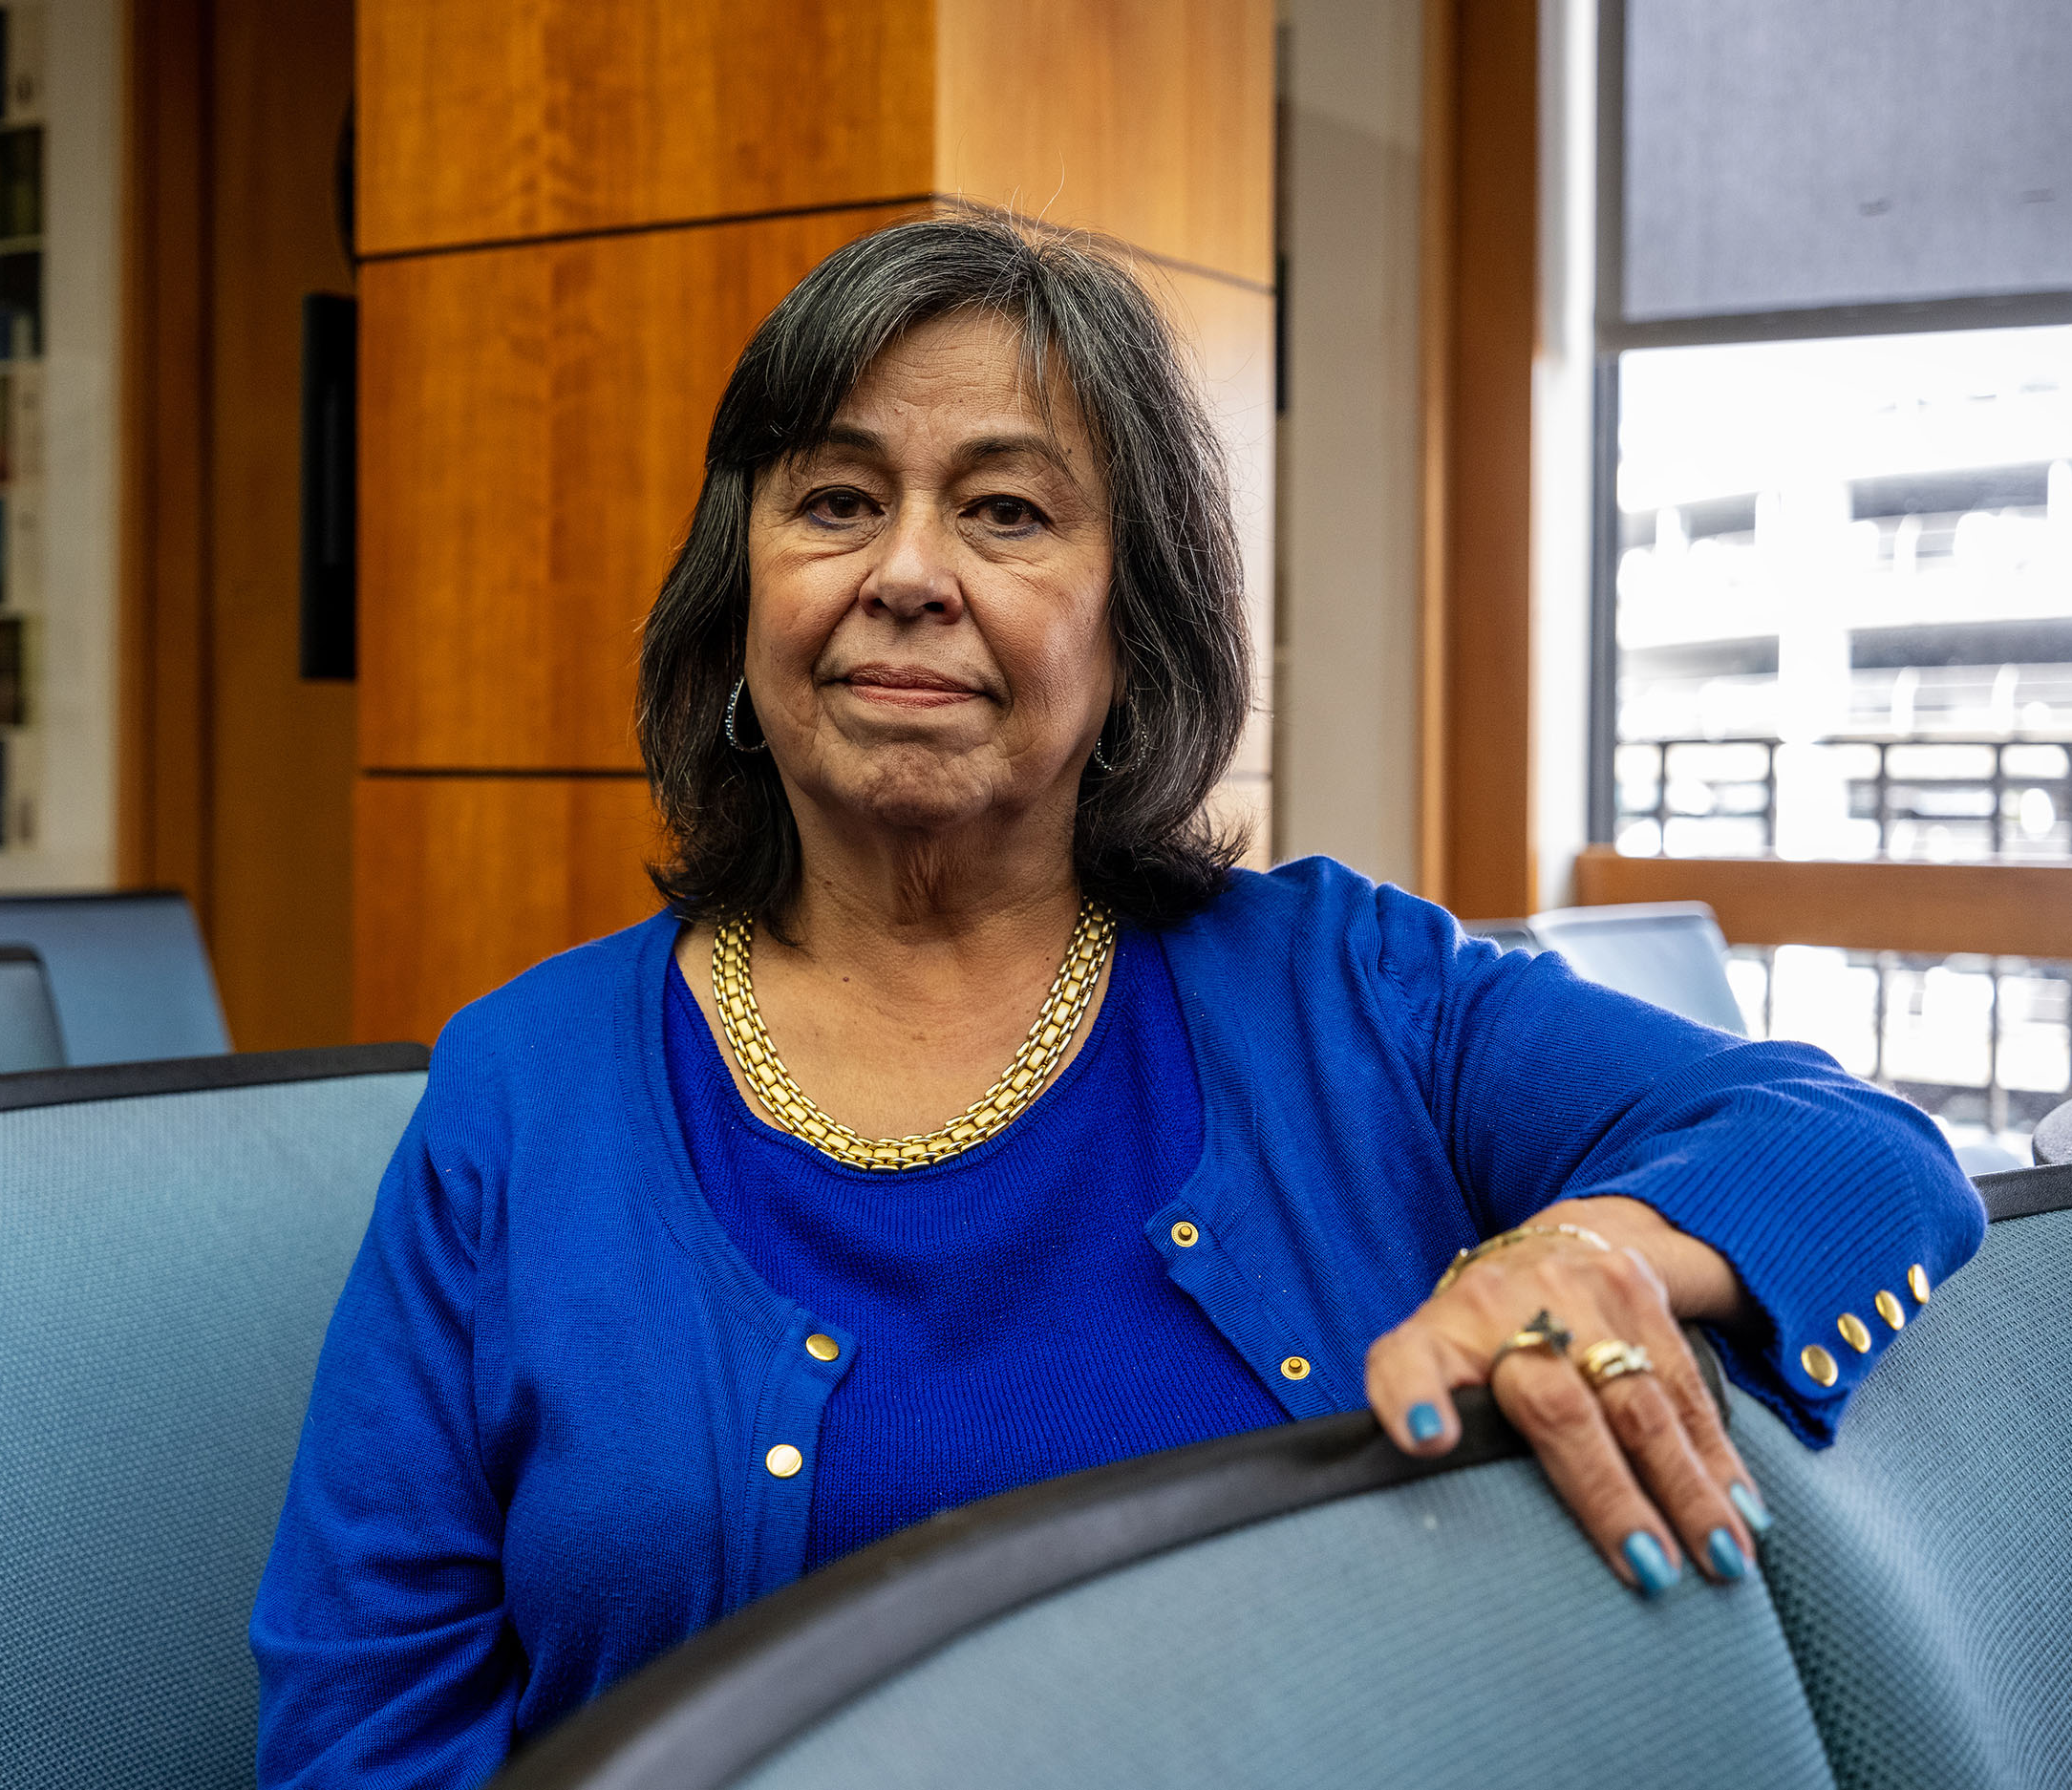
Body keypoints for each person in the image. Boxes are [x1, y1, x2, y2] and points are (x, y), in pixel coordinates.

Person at [250, 212, 1984, 1788]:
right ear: (743, 597)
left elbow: (1853, 1143)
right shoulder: (519, 1085)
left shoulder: (1345, 989)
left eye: (1005, 510)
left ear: (1134, 633)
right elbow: (364, 1723)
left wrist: (1571, 1254)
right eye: (837, 501)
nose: (907, 571)